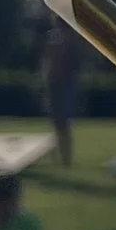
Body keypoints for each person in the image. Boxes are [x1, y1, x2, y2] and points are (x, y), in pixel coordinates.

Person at [39, 10, 84, 170]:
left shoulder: (71, 38)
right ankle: (59, 156)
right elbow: (47, 60)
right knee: (56, 122)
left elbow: (74, 61)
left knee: (63, 122)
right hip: (54, 82)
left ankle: (65, 158)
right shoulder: (52, 37)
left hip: (65, 82)